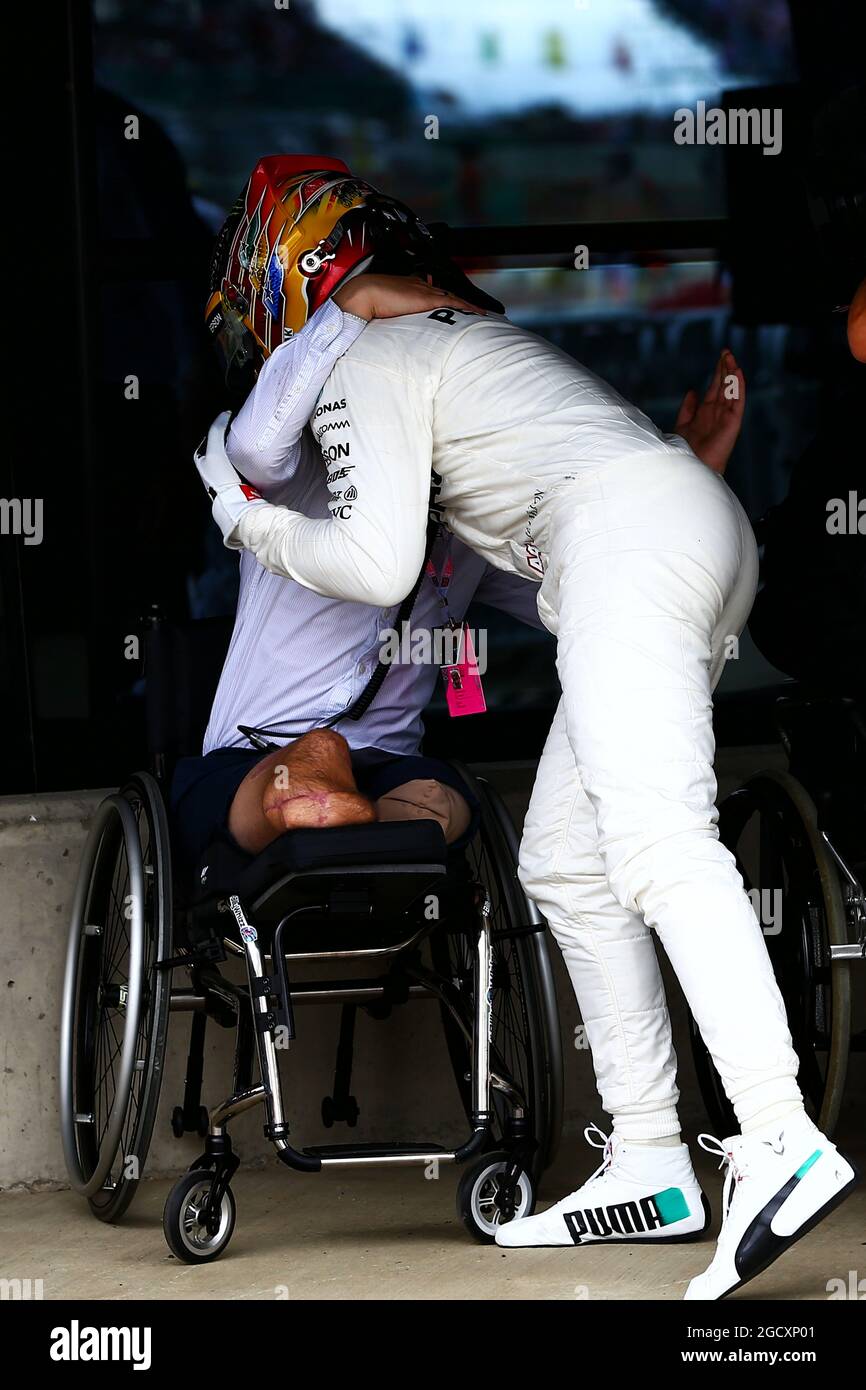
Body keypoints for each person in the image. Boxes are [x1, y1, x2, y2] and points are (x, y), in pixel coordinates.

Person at [196, 158, 858, 1300]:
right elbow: (509, 560)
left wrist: (244, 522)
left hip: (630, 544)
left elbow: (370, 560)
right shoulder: (450, 345)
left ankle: (777, 1133)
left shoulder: (365, 357)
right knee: (563, 857)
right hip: (669, 533)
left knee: (656, 841)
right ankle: (649, 1160)